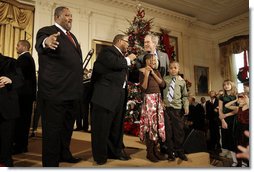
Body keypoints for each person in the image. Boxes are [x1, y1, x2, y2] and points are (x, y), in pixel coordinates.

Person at [35, 6, 83, 167]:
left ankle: (64, 153)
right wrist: (46, 42)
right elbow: (41, 43)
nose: (70, 18)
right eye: (67, 15)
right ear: (57, 16)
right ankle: (50, 163)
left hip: (72, 92)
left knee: (67, 128)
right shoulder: (47, 31)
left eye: (71, 15)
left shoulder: (72, 36)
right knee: (52, 131)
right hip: (54, 92)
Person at [90, 34, 136, 165]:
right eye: (127, 42)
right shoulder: (107, 52)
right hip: (105, 96)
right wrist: (128, 59)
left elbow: (127, 74)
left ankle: (114, 152)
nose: (128, 44)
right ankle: (100, 156)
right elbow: (114, 64)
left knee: (116, 126)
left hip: (119, 95)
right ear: (119, 41)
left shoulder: (121, 57)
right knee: (101, 128)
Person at [139, 53, 166, 162]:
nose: (153, 62)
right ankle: (149, 152)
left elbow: (162, 84)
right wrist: (146, 74)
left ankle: (155, 150)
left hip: (158, 99)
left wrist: (153, 73)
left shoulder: (157, 72)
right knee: (150, 126)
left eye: (154, 60)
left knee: (157, 126)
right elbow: (143, 88)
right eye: (151, 60)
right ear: (146, 61)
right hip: (149, 100)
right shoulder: (141, 71)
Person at [13, 40, 36, 154]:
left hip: (23, 95)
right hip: (27, 95)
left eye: (18, 45)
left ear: (24, 46)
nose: (16, 47)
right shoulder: (28, 58)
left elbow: (18, 75)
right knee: (24, 121)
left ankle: (20, 146)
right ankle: (21, 145)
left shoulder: (24, 58)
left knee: (21, 121)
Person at [0, 53, 23, 166]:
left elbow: (21, 79)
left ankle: (6, 162)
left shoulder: (11, 62)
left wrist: (10, 80)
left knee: (7, 138)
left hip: (7, 107)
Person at [163, 61, 189, 161]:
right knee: (168, 131)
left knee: (178, 131)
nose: (173, 69)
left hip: (177, 109)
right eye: (171, 68)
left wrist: (186, 106)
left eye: (175, 68)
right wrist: (161, 101)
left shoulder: (182, 82)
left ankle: (179, 151)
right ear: (168, 69)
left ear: (178, 69)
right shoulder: (164, 80)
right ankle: (170, 152)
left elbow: (185, 96)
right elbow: (160, 92)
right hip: (166, 108)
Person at [222, 92, 249, 167]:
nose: (240, 100)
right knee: (239, 146)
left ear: (246, 98)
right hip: (239, 129)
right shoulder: (238, 108)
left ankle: (247, 163)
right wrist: (236, 99)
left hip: (247, 129)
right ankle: (242, 163)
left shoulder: (249, 106)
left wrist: (246, 98)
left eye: (241, 98)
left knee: (246, 146)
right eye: (239, 99)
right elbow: (226, 105)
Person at [218, 80, 238, 166]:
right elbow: (220, 110)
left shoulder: (236, 96)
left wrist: (225, 115)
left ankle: (240, 160)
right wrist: (222, 120)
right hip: (224, 120)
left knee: (234, 140)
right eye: (224, 85)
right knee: (228, 140)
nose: (226, 86)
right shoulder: (221, 97)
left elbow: (236, 110)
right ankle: (235, 161)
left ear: (232, 85)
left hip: (233, 119)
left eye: (228, 84)